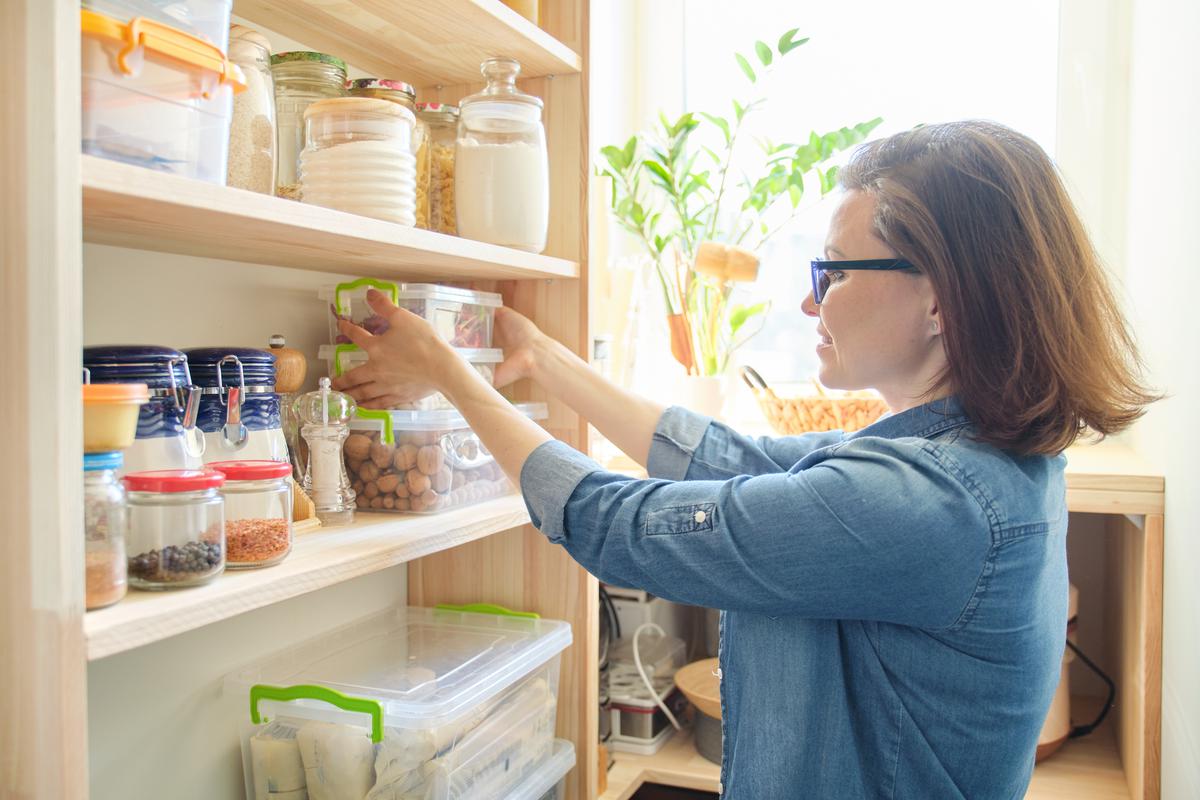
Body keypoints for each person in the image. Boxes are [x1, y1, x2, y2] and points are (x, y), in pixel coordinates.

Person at [332, 120, 1157, 799]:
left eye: (830, 271)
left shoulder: (925, 501)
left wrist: (448, 375)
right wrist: (547, 363)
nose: (808, 300)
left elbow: (621, 525)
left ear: (942, 297)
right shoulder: (960, 456)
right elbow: (736, 459)